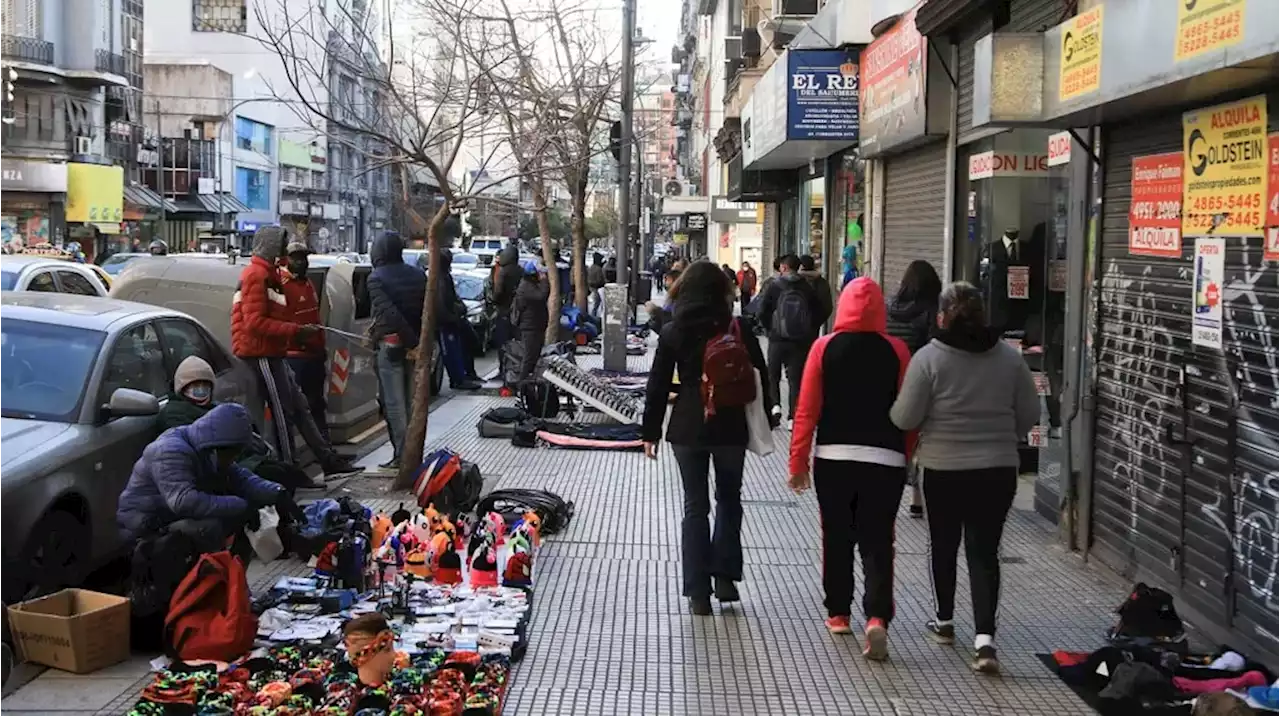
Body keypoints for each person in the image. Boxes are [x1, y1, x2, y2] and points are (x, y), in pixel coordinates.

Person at [890, 281, 1040, 676]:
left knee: (943, 543)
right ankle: (985, 640)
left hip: (944, 467)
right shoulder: (1009, 359)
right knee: (984, 550)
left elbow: (904, 417)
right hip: (998, 469)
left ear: (942, 316)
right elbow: (1029, 414)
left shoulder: (929, 359)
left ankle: (943, 621)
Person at [787, 277, 913, 659]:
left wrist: (798, 461)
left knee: (836, 536)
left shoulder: (824, 348)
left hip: (834, 458)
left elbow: (806, 410)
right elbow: (909, 414)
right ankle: (876, 617)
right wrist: (906, 454)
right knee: (879, 540)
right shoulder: (897, 351)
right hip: (885, 459)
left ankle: (838, 613)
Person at [641, 261, 774, 615]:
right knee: (730, 499)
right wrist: (768, 418)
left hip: (687, 427)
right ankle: (726, 578)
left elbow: (656, 385)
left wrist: (649, 433)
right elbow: (762, 377)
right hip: (730, 426)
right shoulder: (739, 328)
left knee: (694, 506)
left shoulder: (674, 331)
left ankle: (698, 593)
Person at [230, 226, 360, 476]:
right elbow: (253, 322)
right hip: (261, 353)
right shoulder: (257, 275)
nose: (285, 250)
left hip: (275, 351)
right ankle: (292, 470)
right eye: (282, 244)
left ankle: (326, 459)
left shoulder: (270, 274)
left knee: (300, 407)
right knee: (282, 412)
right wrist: (295, 331)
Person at [116, 403, 306, 555]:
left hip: (169, 517)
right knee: (210, 527)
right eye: (234, 453)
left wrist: (277, 493)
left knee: (242, 520)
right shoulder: (170, 451)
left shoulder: (206, 448)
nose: (234, 458)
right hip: (144, 525)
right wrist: (243, 506)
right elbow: (183, 501)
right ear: (220, 446)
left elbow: (240, 478)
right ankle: (212, 587)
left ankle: (232, 586)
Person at [161, 356, 322, 491]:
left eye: (204, 385)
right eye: (194, 386)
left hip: (239, 460)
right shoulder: (176, 413)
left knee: (284, 471)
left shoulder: (216, 407)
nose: (200, 390)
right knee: (275, 476)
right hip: (219, 468)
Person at [885, 260, 943, 519]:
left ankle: (893, 487)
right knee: (922, 439)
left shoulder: (889, 308)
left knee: (897, 437)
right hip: (921, 380)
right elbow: (936, 349)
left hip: (892, 380)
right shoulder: (932, 311)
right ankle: (918, 498)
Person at [368, 232, 429, 470]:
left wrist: (410, 340)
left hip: (392, 343)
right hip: (414, 346)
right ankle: (411, 453)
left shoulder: (376, 278)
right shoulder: (417, 274)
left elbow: (389, 314)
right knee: (412, 401)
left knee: (394, 404)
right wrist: (417, 342)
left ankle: (403, 457)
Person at [757, 254, 824, 427]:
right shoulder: (807, 287)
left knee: (773, 374)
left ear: (784, 267)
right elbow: (819, 310)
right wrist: (808, 330)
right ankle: (793, 417)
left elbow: (762, 311)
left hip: (777, 339)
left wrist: (769, 329)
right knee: (795, 378)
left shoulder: (775, 286)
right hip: (799, 341)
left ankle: (775, 406)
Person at [281, 241, 329, 443]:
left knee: (317, 404)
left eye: (304, 257)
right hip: (295, 357)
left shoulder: (308, 284)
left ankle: (325, 449)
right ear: (287, 259)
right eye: (296, 257)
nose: (301, 262)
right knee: (294, 408)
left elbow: (315, 318)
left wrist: (320, 346)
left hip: (313, 355)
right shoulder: (281, 285)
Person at [434, 249, 482, 392]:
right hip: (445, 323)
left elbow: (452, 298)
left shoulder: (444, 277)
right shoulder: (440, 279)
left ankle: (464, 375)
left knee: (460, 347)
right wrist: (453, 316)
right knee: (451, 351)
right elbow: (442, 304)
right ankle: (458, 379)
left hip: (451, 320)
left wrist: (460, 308)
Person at [511, 259, 550, 382]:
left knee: (534, 355)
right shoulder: (526, 286)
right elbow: (542, 296)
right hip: (530, 327)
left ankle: (529, 382)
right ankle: (521, 384)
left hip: (535, 325)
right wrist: (544, 280)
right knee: (529, 357)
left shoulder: (530, 284)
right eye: (540, 273)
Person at [491, 244, 524, 384]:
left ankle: (503, 370)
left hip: (504, 311)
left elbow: (498, 292)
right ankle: (516, 368)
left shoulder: (504, 272)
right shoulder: (521, 271)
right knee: (517, 343)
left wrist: (494, 300)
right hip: (519, 312)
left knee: (503, 343)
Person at [798, 255, 835, 329]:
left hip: (794, 325)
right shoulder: (822, 282)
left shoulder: (794, 281)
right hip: (814, 325)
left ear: (800, 266)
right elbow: (828, 306)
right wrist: (817, 322)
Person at [645, 268, 681, 334]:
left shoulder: (678, 298)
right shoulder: (671, 297)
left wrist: (655, 310)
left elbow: (670, 318)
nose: (666, 283)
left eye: (668, 280)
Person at [588, 252, 607, 317]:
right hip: (596, 288)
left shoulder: (591, 267)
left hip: (592, 287)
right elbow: (599, 280)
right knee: (596, 304)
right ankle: (593, 316)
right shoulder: (598, 269)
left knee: (596, 303)